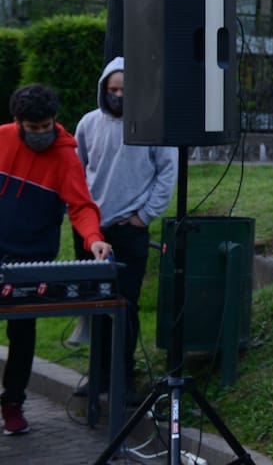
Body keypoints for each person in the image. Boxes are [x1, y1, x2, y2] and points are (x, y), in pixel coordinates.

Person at [0, 84, 112, 436]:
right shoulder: (1, 139)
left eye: (45, 127)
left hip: (33, 257)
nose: (39, 135)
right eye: (31, 130)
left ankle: (13, 404)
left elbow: (81, 206)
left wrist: (94, 239)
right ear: (18, 122)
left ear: (54, 120)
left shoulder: (65, 156)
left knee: (22, 332)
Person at [73, 57, 178, 403]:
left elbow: (166, 172)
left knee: (125, 306)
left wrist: (144, 216)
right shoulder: (88, 123)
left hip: (128, 230)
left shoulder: (153, 124)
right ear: (104, 89)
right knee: (94, 304)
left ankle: (124, 379)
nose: (118, 95)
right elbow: (79, 166)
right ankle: (97, 375)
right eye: (113, 89)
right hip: (91, 232)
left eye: (125, 90)